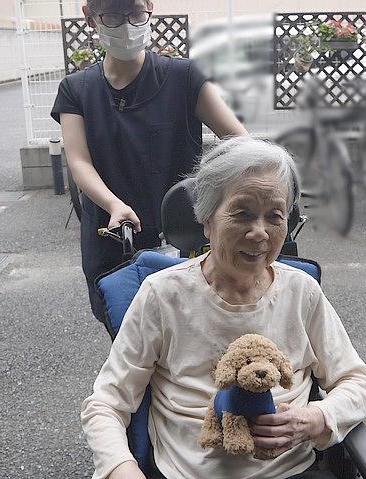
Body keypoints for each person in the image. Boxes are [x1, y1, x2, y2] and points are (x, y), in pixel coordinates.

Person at [81, 137, 366, 479]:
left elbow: (356, 382)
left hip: (291, 471)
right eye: (242, 214)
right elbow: (106, 403)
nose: (260, 233)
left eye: (275, 216)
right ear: (206, 221)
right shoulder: (164, 295)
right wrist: (121, 468)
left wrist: (317, 417)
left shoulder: (301, 292)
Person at [51, 0, 247, 317]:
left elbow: (239, 142)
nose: (126, 25)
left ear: (149, 9)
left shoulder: (184, 77)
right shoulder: (76, 90)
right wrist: (113, 204)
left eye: (135, 13)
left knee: (196, 339)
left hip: (187, 235)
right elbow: (79, 162)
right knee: (131, 340)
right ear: (91, 18)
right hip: (113, 235)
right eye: (112, 15)